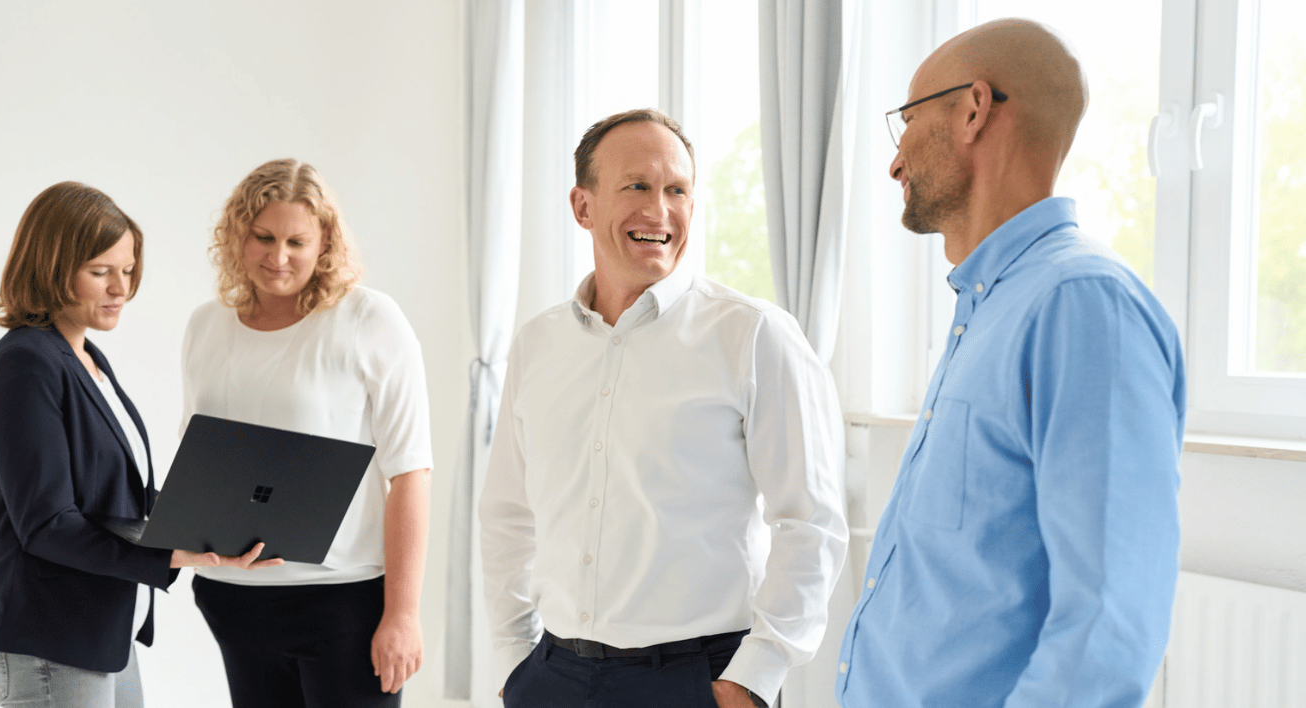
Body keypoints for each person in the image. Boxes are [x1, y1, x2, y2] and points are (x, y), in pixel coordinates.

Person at [834, 19, 1186, 708]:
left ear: (973, 109)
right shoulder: (991, 306)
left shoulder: (1082, 305)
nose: (895, 160)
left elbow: (1108, 628)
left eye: (907, 121)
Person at [479, 108, 848, 708]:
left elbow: (811, 522)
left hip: (699, 681)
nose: (659, 210)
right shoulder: (537, 344)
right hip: (552, 676)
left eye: (677, 189)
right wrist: (512, 659)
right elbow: (507, 514)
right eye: (637, 187)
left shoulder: (753, 335)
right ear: (583, 206)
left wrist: (753, 680)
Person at [0, 181, 281, 708]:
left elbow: (112, 498)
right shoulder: (25, 365)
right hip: (48, 636)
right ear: (49, 267)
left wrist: (212, 526)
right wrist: (174, 555)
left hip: (102, 630)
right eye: (100, 272)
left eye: (128, 270)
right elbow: (46, 525)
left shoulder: (86, 359)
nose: (121, 288)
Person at [183, 159, 434, 708]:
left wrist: (403, 615)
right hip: (232, 598)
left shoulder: (370, 319)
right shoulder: (207, 325)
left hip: (342, 602)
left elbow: (410, 472)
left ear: (325, 244)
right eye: (263, 237)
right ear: (237, 237)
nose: (278, 257)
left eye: (297, 241)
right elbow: (199, 461)